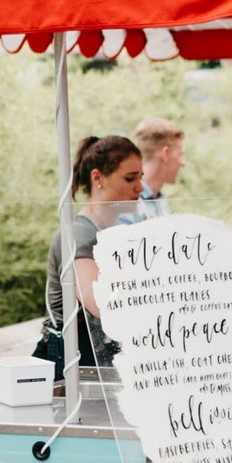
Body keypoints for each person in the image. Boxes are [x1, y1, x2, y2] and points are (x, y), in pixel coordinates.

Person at [38, 134, 143, 369]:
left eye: (140, 177)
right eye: (130, 178)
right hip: (70, 364)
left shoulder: (119, 233)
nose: (140, 187)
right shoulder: (78, 234)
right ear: (98, 178)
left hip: (100, 361)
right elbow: (102, 304)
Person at [129, 115, 185, 218]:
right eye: (180, 155)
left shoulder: (161, 202)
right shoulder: (128, 205)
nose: (183, 162)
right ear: (165, 154)